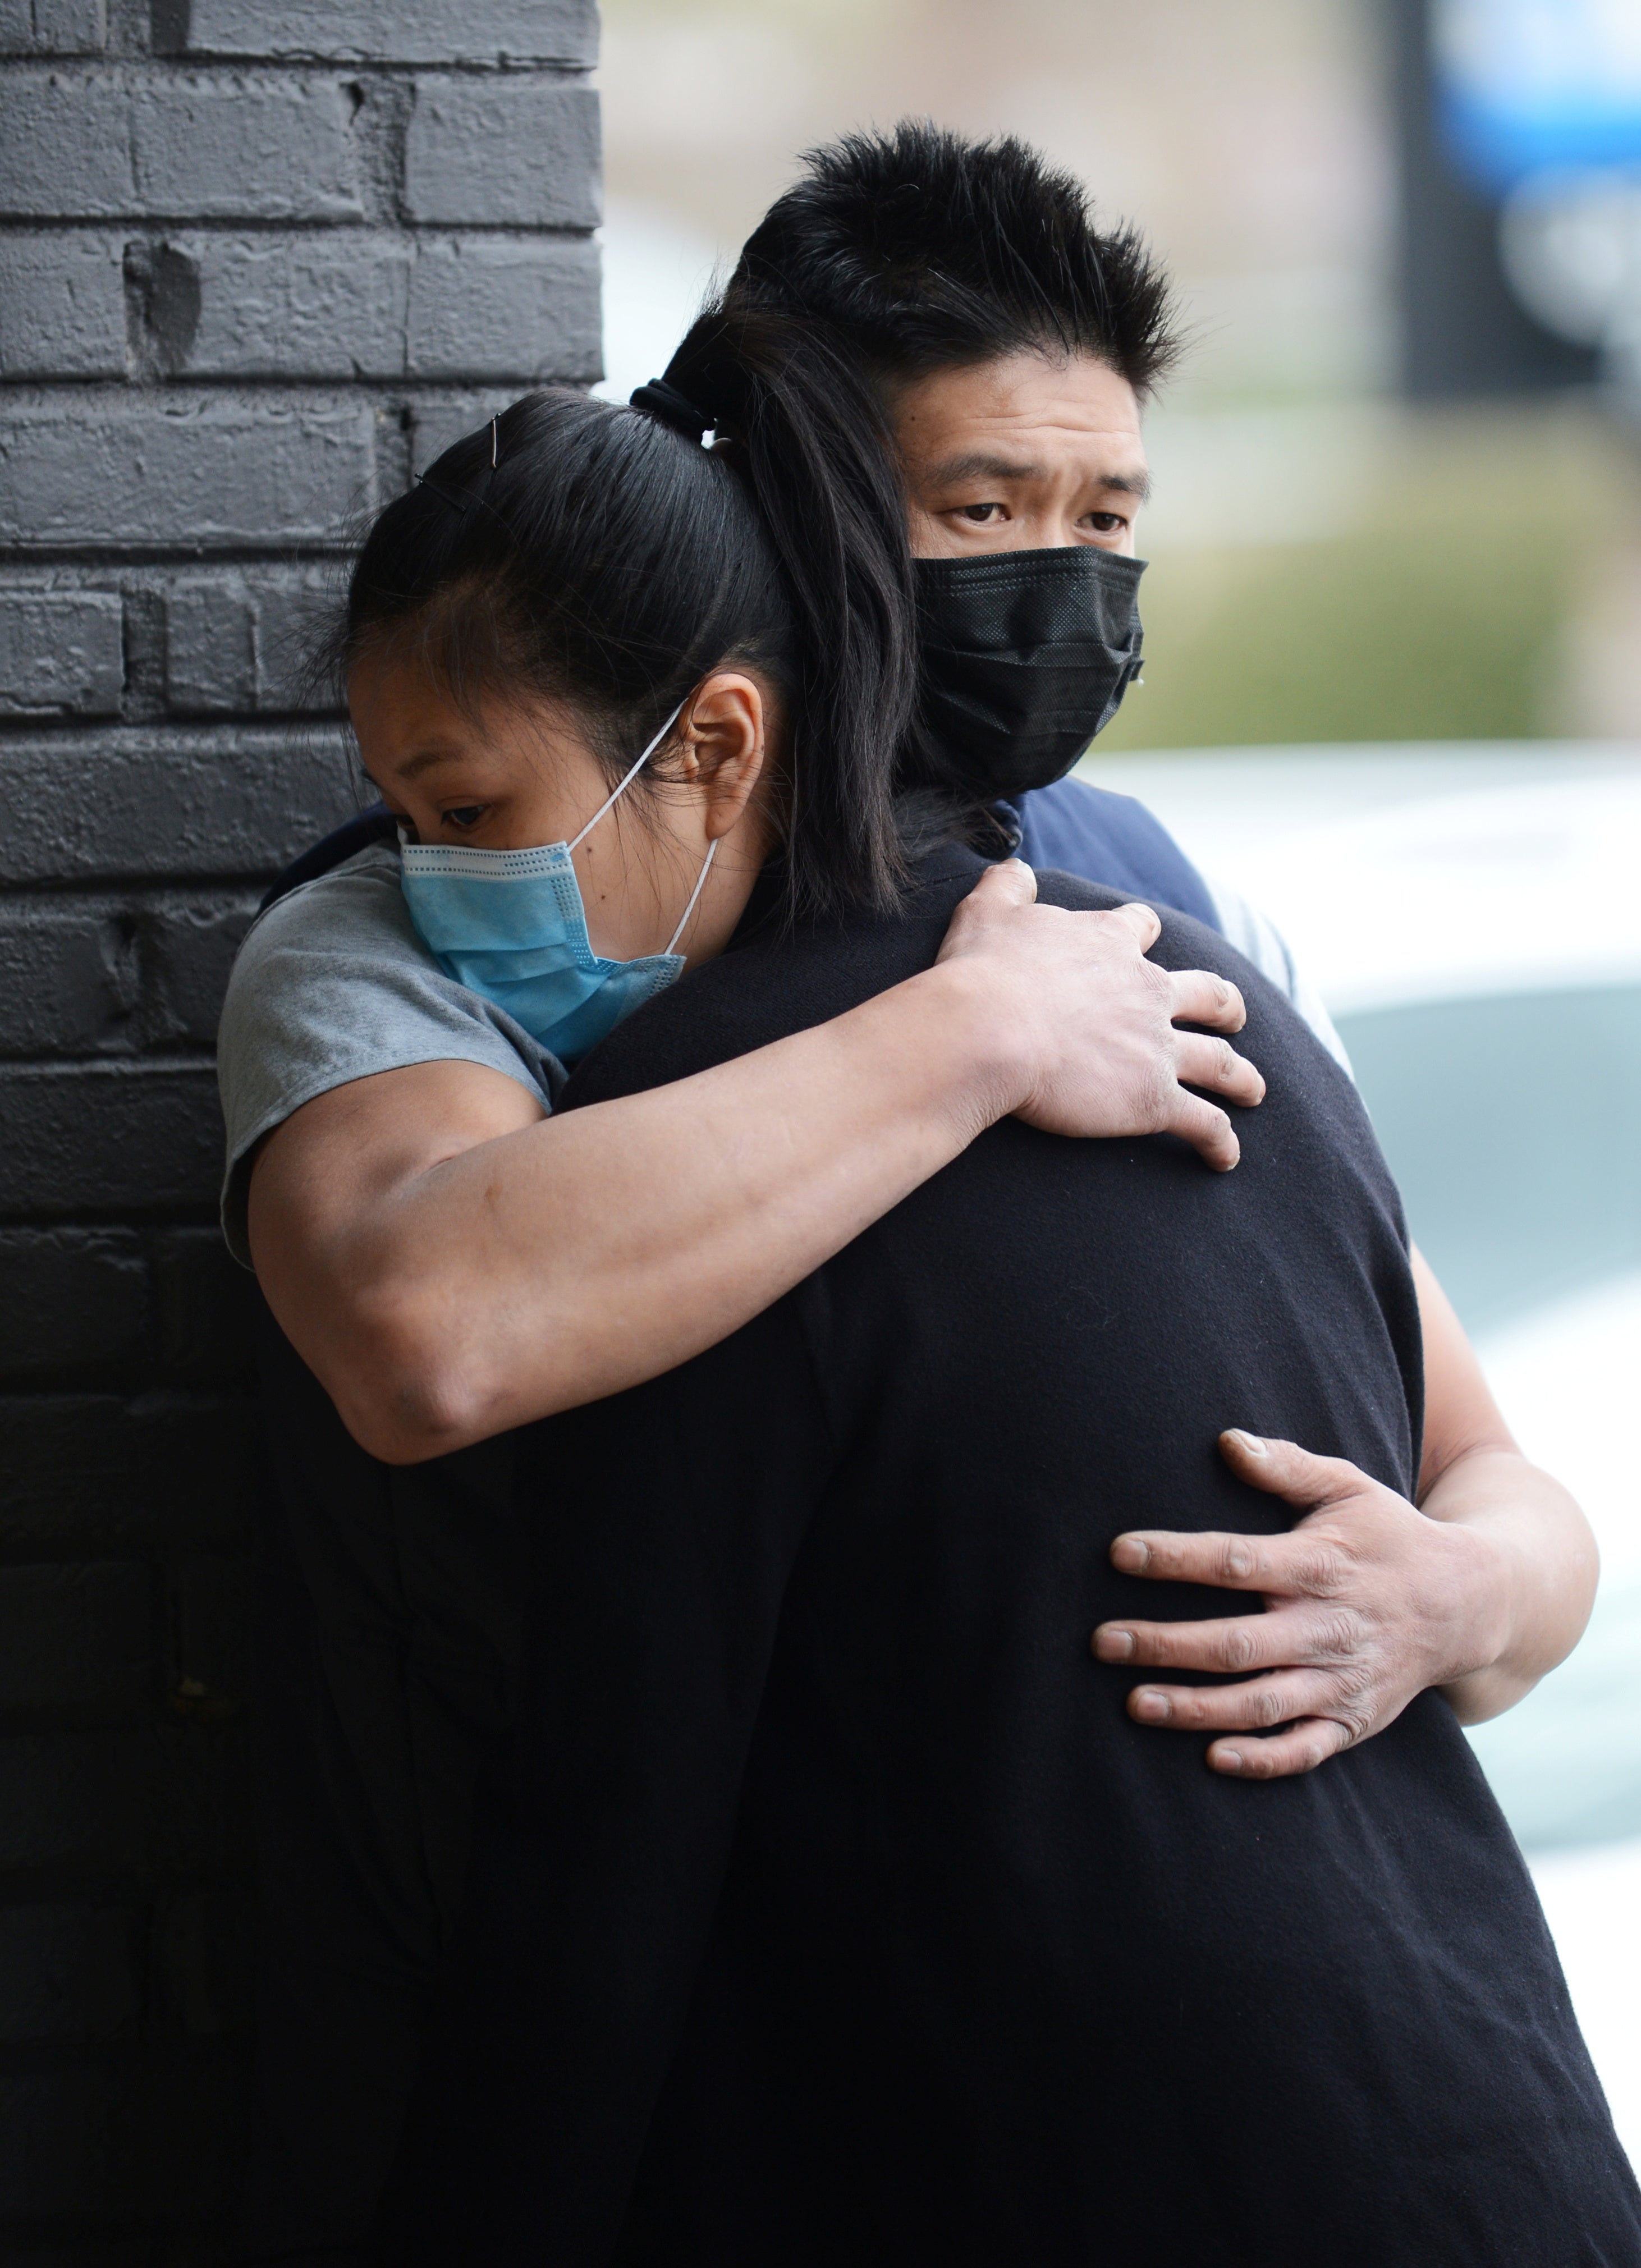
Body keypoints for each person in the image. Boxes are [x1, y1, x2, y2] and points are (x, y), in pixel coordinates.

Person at [219, 139, 1599, 2259]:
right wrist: (964, 1044)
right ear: (780, 504)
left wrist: (1443, 1605)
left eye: (1104, 520)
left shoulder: (1159, 900)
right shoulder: (444, 909)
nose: (1052, 584)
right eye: (977, 512)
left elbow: (1481, 1466)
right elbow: (431, 1326)